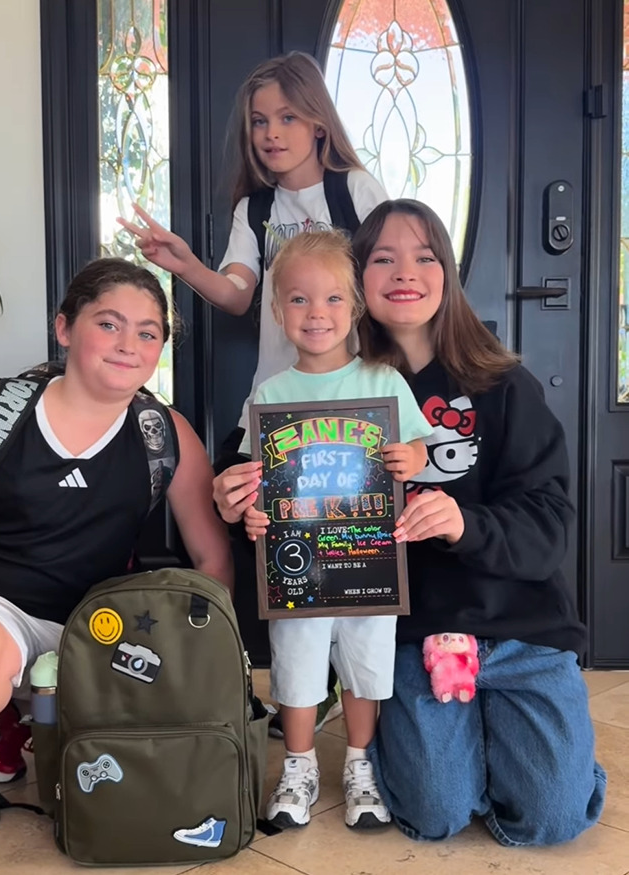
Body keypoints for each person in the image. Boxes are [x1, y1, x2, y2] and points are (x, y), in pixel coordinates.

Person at [214, 199, 607, 847]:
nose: (406, 271)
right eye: (383, 258)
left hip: (519, 629)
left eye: (426, 256)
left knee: (550, 814)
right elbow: (262, 490)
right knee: (434, 811)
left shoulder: (505, 385)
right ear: (357, 282)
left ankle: (524, 734)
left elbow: (550, 523)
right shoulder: (313, 386)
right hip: (415, 632)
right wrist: (235, 499)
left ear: (447, 274)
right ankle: (465, 743)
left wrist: (464, 521)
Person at [119, 50, 386, 732]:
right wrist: (186, 265)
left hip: (350, 409)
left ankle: (353, 688)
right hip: (276, 404)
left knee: (347, 543)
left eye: (287, 117)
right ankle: (287, 680)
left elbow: (385, 286)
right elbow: (238, 294)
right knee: (260, 532)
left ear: (319, 123)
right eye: (260, 120)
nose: (271, 132)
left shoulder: (356, 188)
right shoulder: (255, 205)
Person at [0, 257, 233, 842]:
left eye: (148, 333)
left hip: (95, 624)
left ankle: (16, 715)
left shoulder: (163, 432)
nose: (129, 345)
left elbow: (211, 562)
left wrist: (210, 660)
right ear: (65, 328)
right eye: (109, 324)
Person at [235, 230, 432, 830]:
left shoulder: (383, 381)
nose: (316, 314)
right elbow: (258, 477)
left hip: (370, 554)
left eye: (331, 300)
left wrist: (413, 459)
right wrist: (254, 511)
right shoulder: (270, 395)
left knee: (367, 662)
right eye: (298, 300)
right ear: (277, 311)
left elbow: (421, 449)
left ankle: (358, 762)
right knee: (294, 663)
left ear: (355, 307)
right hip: (299, 561)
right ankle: (297, 765)